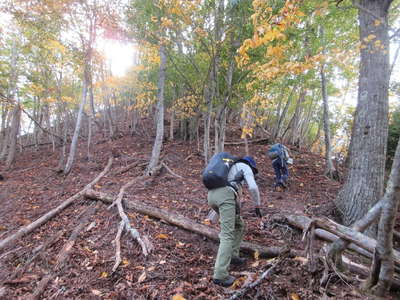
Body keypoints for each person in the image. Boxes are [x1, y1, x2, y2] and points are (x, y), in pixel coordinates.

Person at [207, 155, 262, 287]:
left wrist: (212, 218)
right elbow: (253, 187)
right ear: (251, 166)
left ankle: (233, 255)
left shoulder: (228, 170)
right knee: (227, 235)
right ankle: (220, 275)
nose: (252, 174)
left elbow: (223, 199)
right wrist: (257, 205)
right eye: (253, 172)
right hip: (224, 196)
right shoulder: (244, 166)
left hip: (211, 195)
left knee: (240, 225)